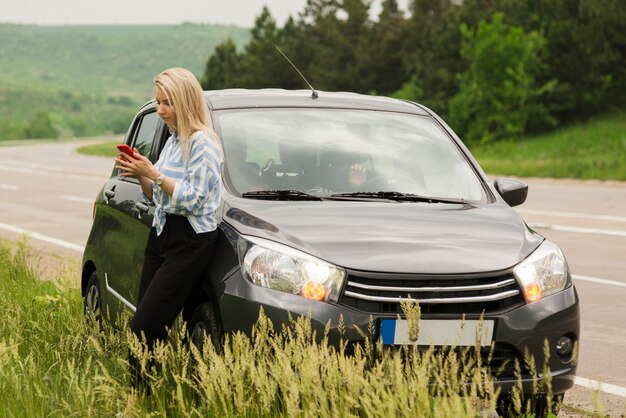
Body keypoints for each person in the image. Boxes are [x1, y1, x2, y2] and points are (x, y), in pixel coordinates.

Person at [115, 67, 223, 388]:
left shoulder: (205, 143)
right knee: (147, 325)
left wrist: (155, 173)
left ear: (186, 102)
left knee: (143, 327)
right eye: (158, 102)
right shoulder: (174, 140)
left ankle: (143, 399)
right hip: (162, 234)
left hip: (189, 242)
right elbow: (158, 197)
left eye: (167, 103)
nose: (160, 110)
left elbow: (192, 199)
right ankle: (146, 396)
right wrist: (141, 173)